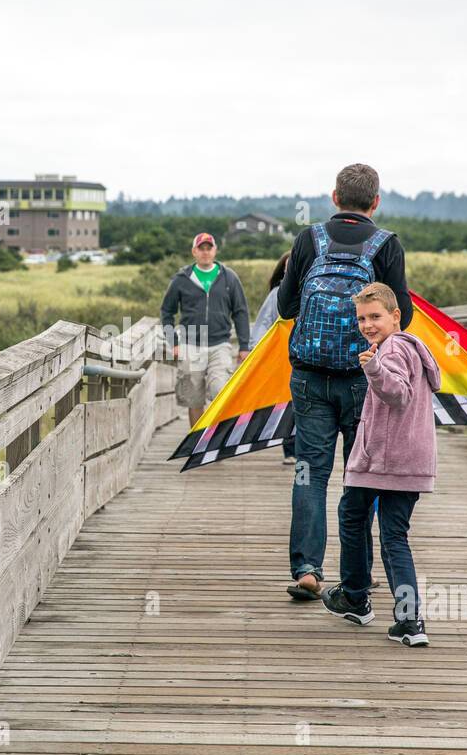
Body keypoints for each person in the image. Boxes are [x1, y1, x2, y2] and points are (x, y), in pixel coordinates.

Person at [277, 164, 413, 600]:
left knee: (309, 473)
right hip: (365, 376)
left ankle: (307, 569)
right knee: (362, 475)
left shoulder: (308, 239)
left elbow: (285, 307)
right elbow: (401, 316)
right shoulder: (386, 245)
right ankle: (357, 575)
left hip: (309, 376)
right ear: (376, 202)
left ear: (334, 197)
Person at [320, 283, 439, 646]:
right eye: (361, 318)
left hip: (383, 460)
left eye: (376, 316)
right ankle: (409, 620)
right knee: (393, 536)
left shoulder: (393, 350)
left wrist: (373, 369)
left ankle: (356, 596)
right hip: (410, 460)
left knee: (352, 514)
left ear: (396, 316)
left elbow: (398, 393)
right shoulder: (411, 349)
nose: (368, 324)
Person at [159, 232, 251, 426]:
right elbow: (166, 312)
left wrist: (244, 345)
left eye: (209, 248)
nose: (205, 252)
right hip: (191, 344)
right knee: (195, 398)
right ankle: (198, 444)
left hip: (220, 345)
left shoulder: (229, 277)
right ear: (194, 251)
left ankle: (215, 440)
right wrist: (173, 343)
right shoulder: (182, 279)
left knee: (221, 391)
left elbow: (241, 312)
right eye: (201, 248)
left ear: (215, 250)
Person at [250, 251, 296, 463]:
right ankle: (290, 451)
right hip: (280, 359)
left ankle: (303, 450)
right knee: (287, 405)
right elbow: (262, 325)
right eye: (287, 266)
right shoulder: (276, 294)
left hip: (305, 359)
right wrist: (256, 354)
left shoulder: (313, 291)